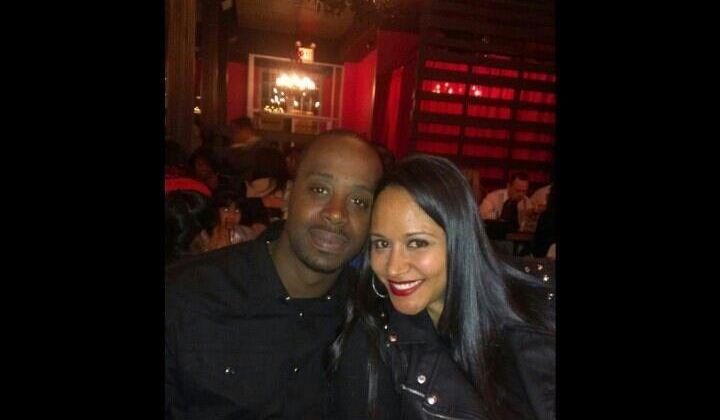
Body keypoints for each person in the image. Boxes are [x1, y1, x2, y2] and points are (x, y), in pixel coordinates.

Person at [165, 129, 384, 419]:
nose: (336, 213)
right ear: (289, 196)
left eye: (359, 202)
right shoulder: (186, 297)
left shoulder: (372, 319)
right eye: (320, 190)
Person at [329, 154, 555, 420]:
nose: (393, 268)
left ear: (460, 240)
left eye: (417, 243)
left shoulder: (537, 312)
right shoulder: (375, 338)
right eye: (382, 244)